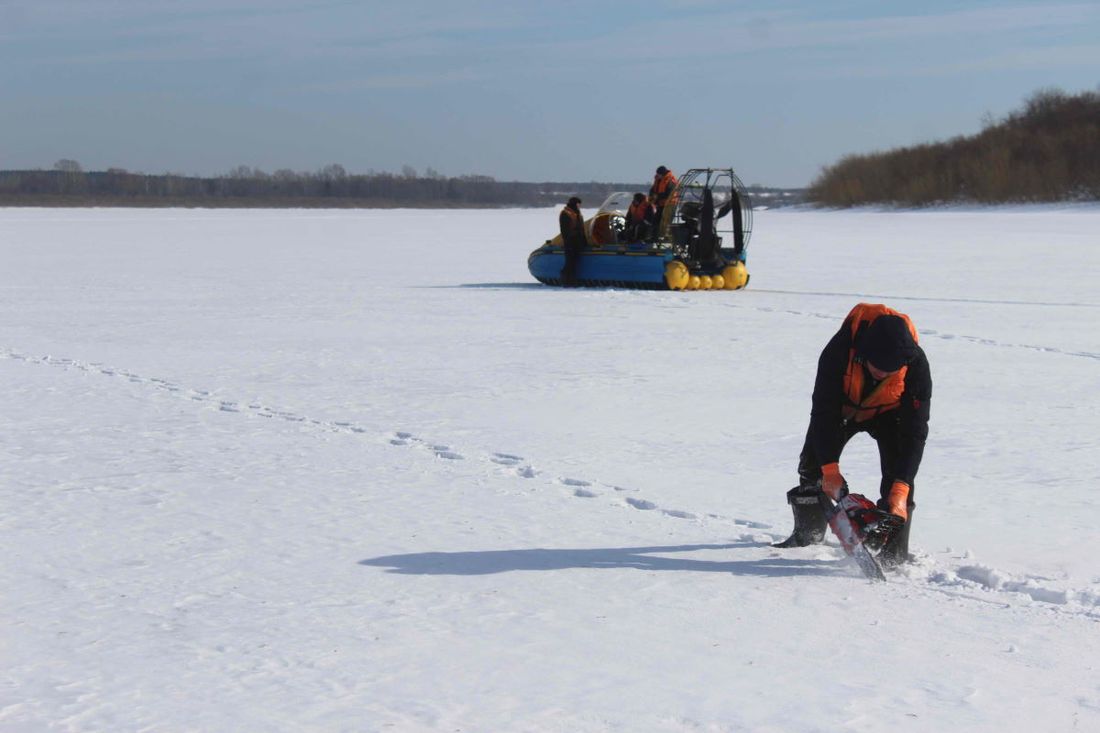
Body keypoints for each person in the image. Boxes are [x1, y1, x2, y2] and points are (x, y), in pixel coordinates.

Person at [775, 303, 932, 568]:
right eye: (876, 367)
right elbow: (823, 413)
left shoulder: (916, 363)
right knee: (812, 465)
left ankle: (893, 553)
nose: (881, 373)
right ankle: (807, 537)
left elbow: (915, 430)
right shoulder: (838, 350)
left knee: (900, 478)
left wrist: (902, 486)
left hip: (889, 415)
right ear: (863, 352)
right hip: (842, 412)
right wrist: (830, 470)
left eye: (889, 370)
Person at [558, 196, 586, 286]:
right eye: (578, 204)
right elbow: (565, 230)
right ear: (574, 204)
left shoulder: (577, 213)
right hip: (570, 241)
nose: (579, 206)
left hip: (578, 241)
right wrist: (570, 239)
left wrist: (584, 240)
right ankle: (566, 280)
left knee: (575, 261)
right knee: (570, 262)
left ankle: (572, 280)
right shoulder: (565, 213)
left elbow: (582, 228)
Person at [648, 166, 677, 236]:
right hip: (661, 204)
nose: (657, 175)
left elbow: (669, 193)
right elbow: (653, 189)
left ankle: (664, 237)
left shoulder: (670, 180)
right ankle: (654, 236)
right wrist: (652, 196)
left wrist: (657, 196)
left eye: (658, 174)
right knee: (656, 220)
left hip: (670, 204)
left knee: (665, 222)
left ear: (662, 173)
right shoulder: (658, 180)